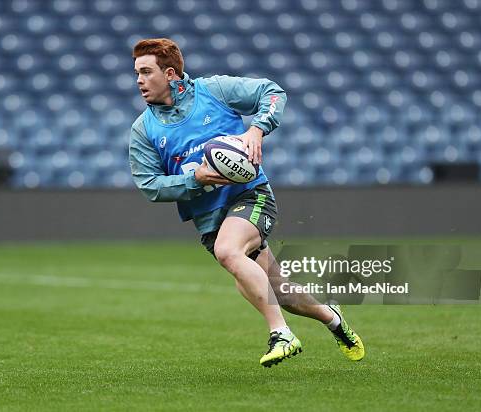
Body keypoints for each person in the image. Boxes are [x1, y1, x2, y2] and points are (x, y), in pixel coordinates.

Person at [129, 38, 364, 367]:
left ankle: (281, 333)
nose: (138, 80)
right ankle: (334, 319)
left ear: (170, 74)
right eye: (136, 73)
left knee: (229, 252)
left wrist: (256, 129)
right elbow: (148, 184)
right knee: (278, 292)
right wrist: (193, 180)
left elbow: (272, 91)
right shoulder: (144, 130)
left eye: (145, 72)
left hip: (251, 195)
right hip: (210, 219)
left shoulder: (214, 91)